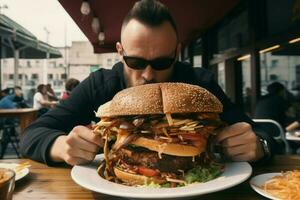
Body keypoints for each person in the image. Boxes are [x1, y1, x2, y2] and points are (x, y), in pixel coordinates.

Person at [20, 0, 276, 166]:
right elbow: (32, 134)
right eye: (136, 61)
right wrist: (62, 146)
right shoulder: (102, 84)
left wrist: (258, 145)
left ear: (177, 52)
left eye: (162, 62)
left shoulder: (200, 82)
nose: (149, 75)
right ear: (120, 51)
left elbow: (260, 134)